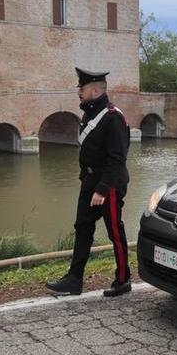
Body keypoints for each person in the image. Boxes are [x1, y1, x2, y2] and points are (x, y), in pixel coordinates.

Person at [45, 67, 132, 298]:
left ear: (95, 89)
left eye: (81, 88)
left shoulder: (113, 117)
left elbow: (117, 160)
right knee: (82, 228)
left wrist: (102, 190)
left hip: (109, 184)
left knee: (115, 231)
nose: (78, 92)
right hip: (90, 181)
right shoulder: (90, 114)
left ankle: (123, 279)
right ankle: (74, 280)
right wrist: (86, 180)